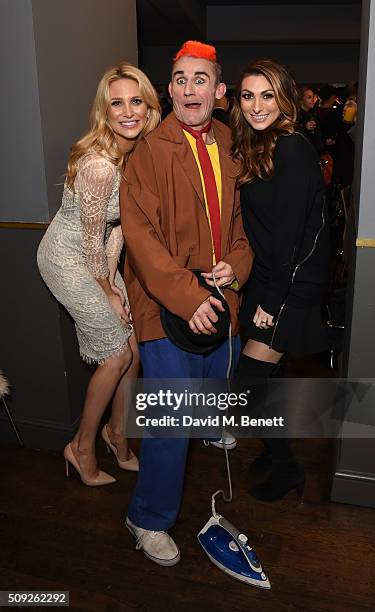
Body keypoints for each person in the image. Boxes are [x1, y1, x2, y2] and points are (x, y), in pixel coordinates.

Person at [120, 40, 253, 566]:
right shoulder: (148, 151)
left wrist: (235, 269)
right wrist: (187, 294)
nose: (188, 88)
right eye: (179, 79)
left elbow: (241, 231)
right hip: (168, 307)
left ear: (219, 93)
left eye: (200, 79)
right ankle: (147, 517)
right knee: (170, 420)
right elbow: (140, 238)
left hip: (220, 306)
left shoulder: (230, 144)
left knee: (209, 395)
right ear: (168, 90)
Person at [37, 62, 161, 486]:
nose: (128, 111)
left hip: (95, 257)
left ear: (148, 107)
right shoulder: (100, 165)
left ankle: (117, 434)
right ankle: (81, 447)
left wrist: (112, 281)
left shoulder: (135, 156)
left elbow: (119, 229)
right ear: (105, 113)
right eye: (117, 104)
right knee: (115, 354)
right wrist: (107, 289)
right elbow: (90, 238)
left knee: (135, 351)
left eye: (136, 101)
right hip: (65, 257)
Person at [231, 59, 330, 501]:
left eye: (267, 95)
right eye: (248, 95)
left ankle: (288, 468)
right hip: (272, 278)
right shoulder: (260, 144)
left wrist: (271, 298)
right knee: (264, 378)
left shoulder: (291, 147)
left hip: (289, 283)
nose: (257, 105)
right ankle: (274, 452)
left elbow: (291, 236)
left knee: (246, 382)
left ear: (284, 97)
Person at [298, 85, 324, 154]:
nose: (313, 100)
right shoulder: (297, 116)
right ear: (301, 99)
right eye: (309, 97)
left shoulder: (312, 114)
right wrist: (304, 127)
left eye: (313, 97)